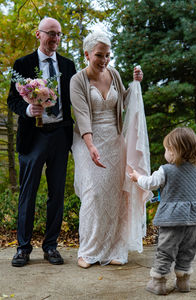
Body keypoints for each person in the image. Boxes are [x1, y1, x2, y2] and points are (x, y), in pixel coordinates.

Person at [70, 31, 143, 268]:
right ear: (87, 54)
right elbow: (81, 115)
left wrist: (135, 84)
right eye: (99, 55)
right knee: (93, 193)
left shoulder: (114, 74)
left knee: (115, 195)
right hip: (87, 140)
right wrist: (90, 145)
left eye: (108, 55)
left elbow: (122, 101)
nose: (104, 60)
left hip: (114, 140)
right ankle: (87, 251)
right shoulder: (77, 80)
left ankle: (115, 248)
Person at [7, 17, 76, 267]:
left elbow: (75, 99)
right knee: (28, 193)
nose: (56, 39)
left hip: (60, 135)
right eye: (51, 34)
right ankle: (23, 248)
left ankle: (51, 246)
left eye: (59, 34)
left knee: (56, 193)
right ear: (38, 34)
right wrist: (27, 111)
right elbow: (12, 100)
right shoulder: (22, 64)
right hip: (33, 137)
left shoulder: (69, 66)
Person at [130, 127, 196, 295]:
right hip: (195, 219)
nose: (165, 153)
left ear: (175, 151)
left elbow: (150, 183)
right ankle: (183, 282)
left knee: (166, 250)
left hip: (172, 219)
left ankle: (158, 282)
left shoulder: (165, 170)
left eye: (167, 149)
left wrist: (137, 177)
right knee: (188, 250)